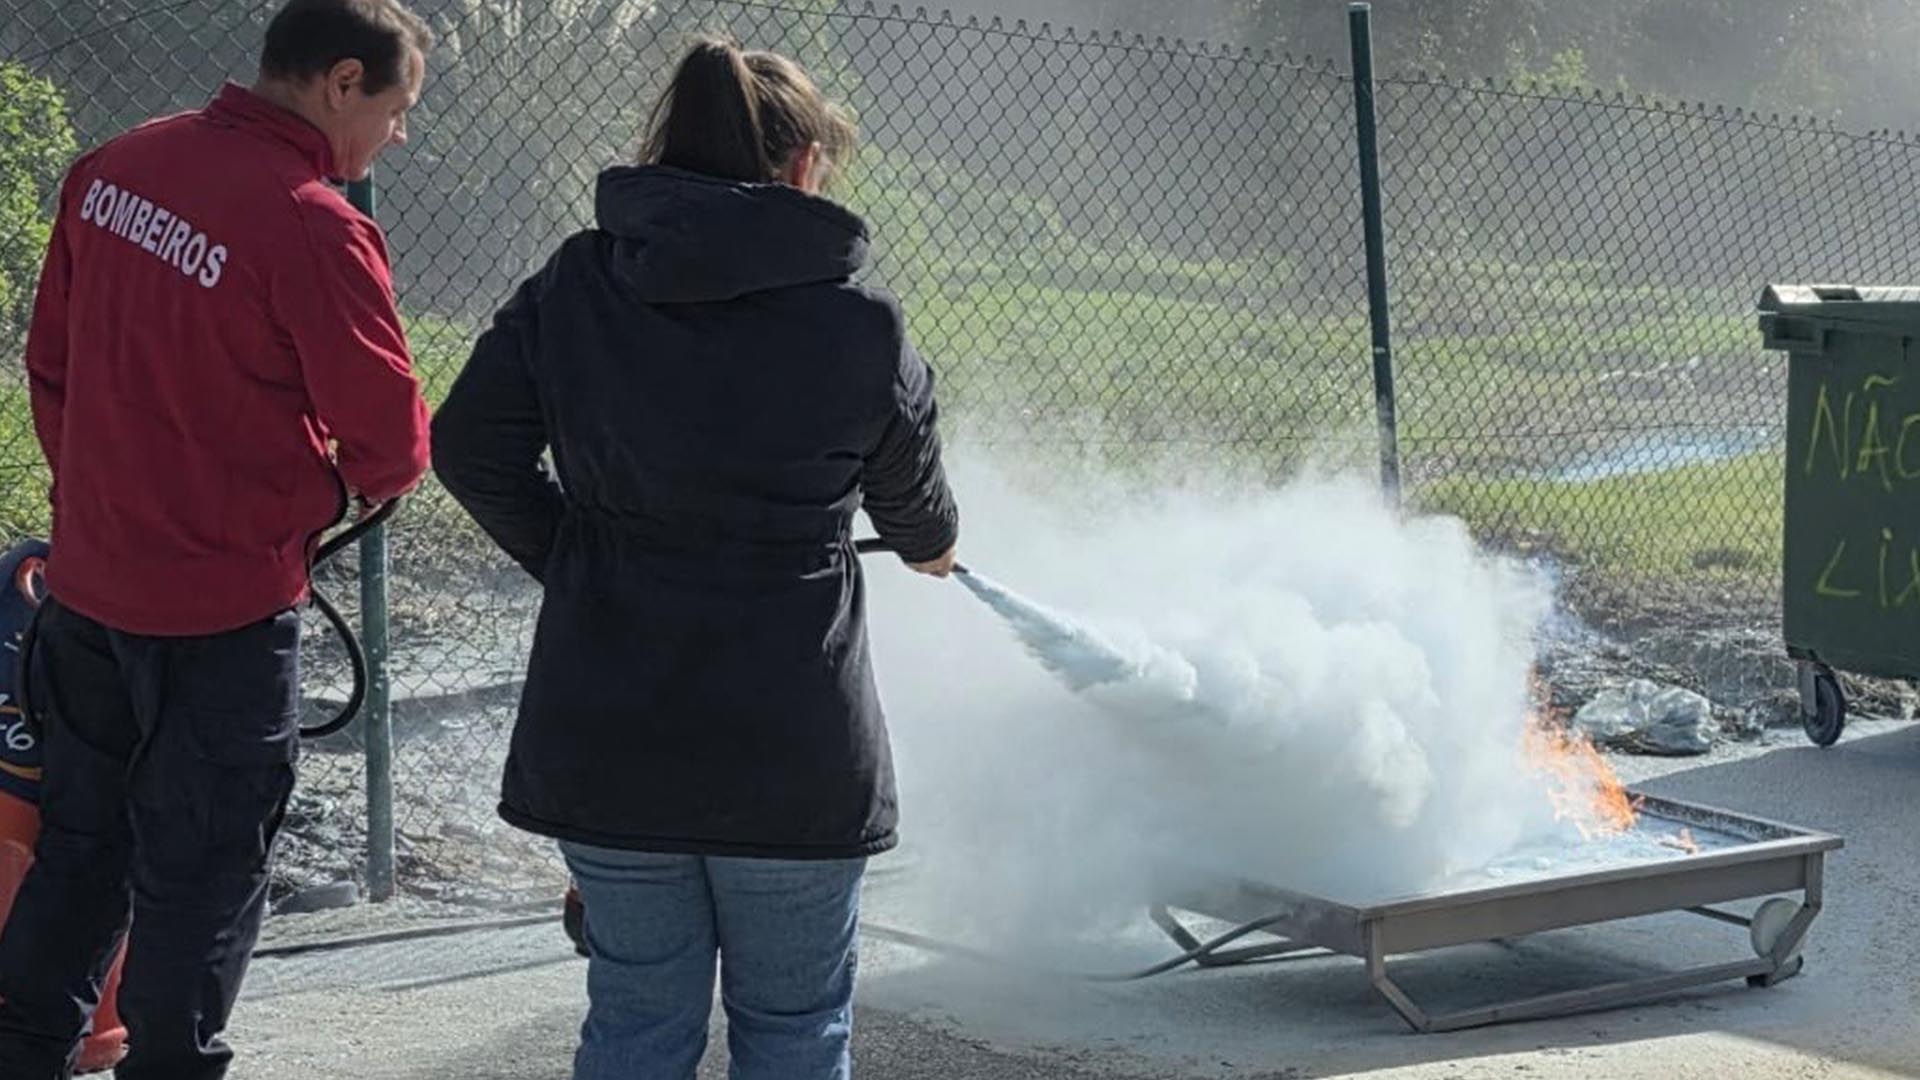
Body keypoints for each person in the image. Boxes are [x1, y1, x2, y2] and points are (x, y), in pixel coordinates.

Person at [432, 36, 960, 1080]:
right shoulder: (860, 323)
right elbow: (919, 520)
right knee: (798, 1031)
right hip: (793, 749)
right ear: (804, 162)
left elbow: (464, 447)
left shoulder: (578, 282)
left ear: (664, 149)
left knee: (635, 1028)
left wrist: (580, 553)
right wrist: (933, 547)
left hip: (610, 728)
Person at [0, 0, 433, 1075]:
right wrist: (326, 490)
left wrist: (113, 492)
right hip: (223, 620)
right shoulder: (312, 221)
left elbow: (49, 364)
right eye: (396, 107)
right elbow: (391, 445)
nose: (397, 134)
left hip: (88, 594)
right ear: (341, 82)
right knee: (200, 880)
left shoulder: (115, 167)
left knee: (80, 855)